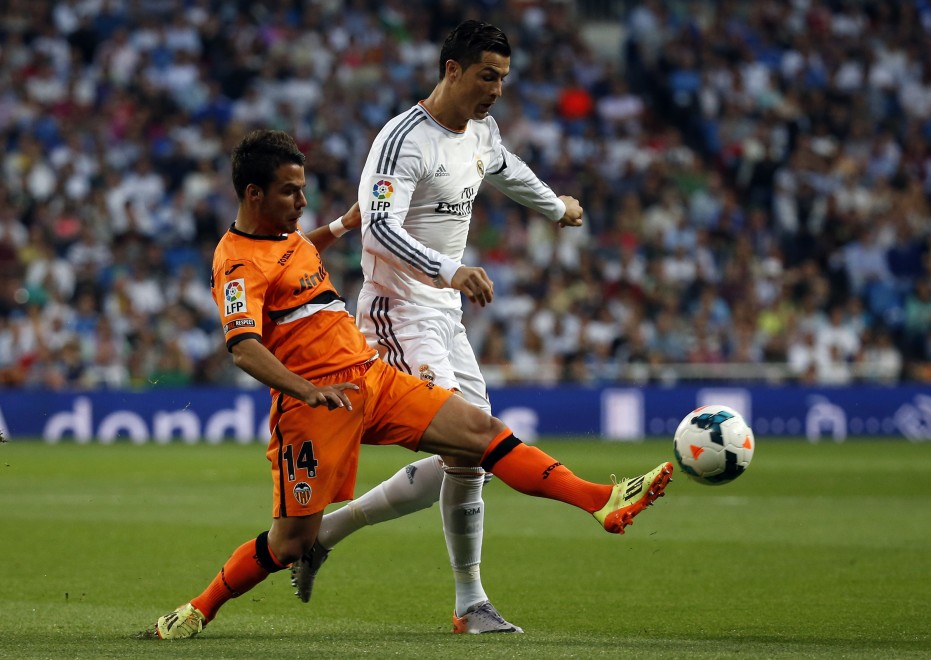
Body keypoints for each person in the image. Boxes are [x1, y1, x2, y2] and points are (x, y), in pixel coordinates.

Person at [143, 128, 672, 640]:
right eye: (290, 191)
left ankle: (599, 500)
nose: (302, 201)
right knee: (290, 543)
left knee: (479, 433)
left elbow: (296, 251)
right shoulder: (236, 262)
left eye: (303, 189)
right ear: (253, 194)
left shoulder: (283, 237)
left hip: (371, 379)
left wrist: (341, 225)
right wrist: (304, 389)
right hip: (314, 407)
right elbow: (243, 347)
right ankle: (198, 609)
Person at [290, 20, 588, 634]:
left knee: (476, 456)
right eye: (487, 76)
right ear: (452, 69)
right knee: (469, 444)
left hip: (444, 316)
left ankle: (330, 535)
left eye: (503, 79)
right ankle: (470, 602)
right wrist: (451, 270)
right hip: (398, 311)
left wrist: (555, 206)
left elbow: (505, 168)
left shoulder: (481, 130)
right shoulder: (402, 140)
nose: (496, 90)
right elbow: (379, 229)